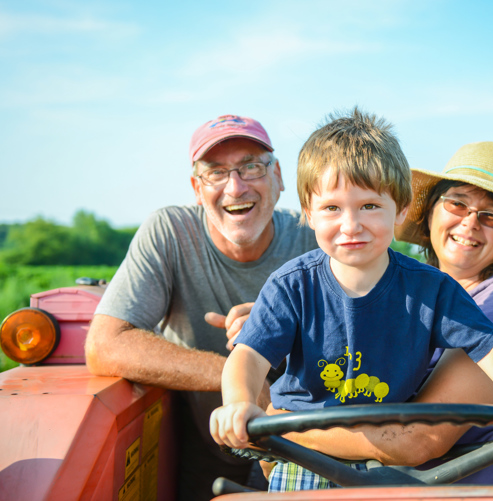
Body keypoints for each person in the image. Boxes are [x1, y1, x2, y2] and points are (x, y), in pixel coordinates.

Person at [208, 110, 493, 492]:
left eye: (369, 206)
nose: (351, 225)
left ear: (400, 209)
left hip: (392, 459)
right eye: (332, 208)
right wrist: (238, 403)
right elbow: (249, 355)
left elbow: (492, 345)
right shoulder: (291, 286)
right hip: (306, 452)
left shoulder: (434, 290)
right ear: (309, 213)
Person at [84, 114, 318, 500]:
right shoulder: (170, 232)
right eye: (216, 172)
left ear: (278, 179)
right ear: (196, 187)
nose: (235, 186)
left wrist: (278, 325)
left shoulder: (315, 237)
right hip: (201, 462)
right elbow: (105, 344)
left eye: (251, 167)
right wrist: (239, 375)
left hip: (308, 459)